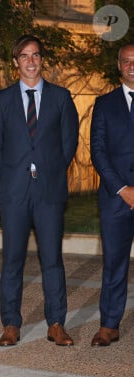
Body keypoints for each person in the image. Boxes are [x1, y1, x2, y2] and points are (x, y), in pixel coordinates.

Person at [0, 35, 79, 347]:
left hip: (49, 193)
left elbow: (68, 144)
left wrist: (48, 171)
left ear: (42, 59)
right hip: (14, 193)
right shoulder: (2, 99)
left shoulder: (62, 97)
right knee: (12, 259)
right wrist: (12, 175)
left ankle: (56, 323)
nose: (30, 61)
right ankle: (11, 324)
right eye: (24, 56)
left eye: (35, 55)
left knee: (52, 259)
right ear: (16, 62)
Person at [89, 42, 134, 347]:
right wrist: (123, 189)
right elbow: (98, 152)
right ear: (118, 65)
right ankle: (109, 325)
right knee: (114, 263)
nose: (132, 65)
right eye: (127, 61)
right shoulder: (104, 104)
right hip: (116, 197)